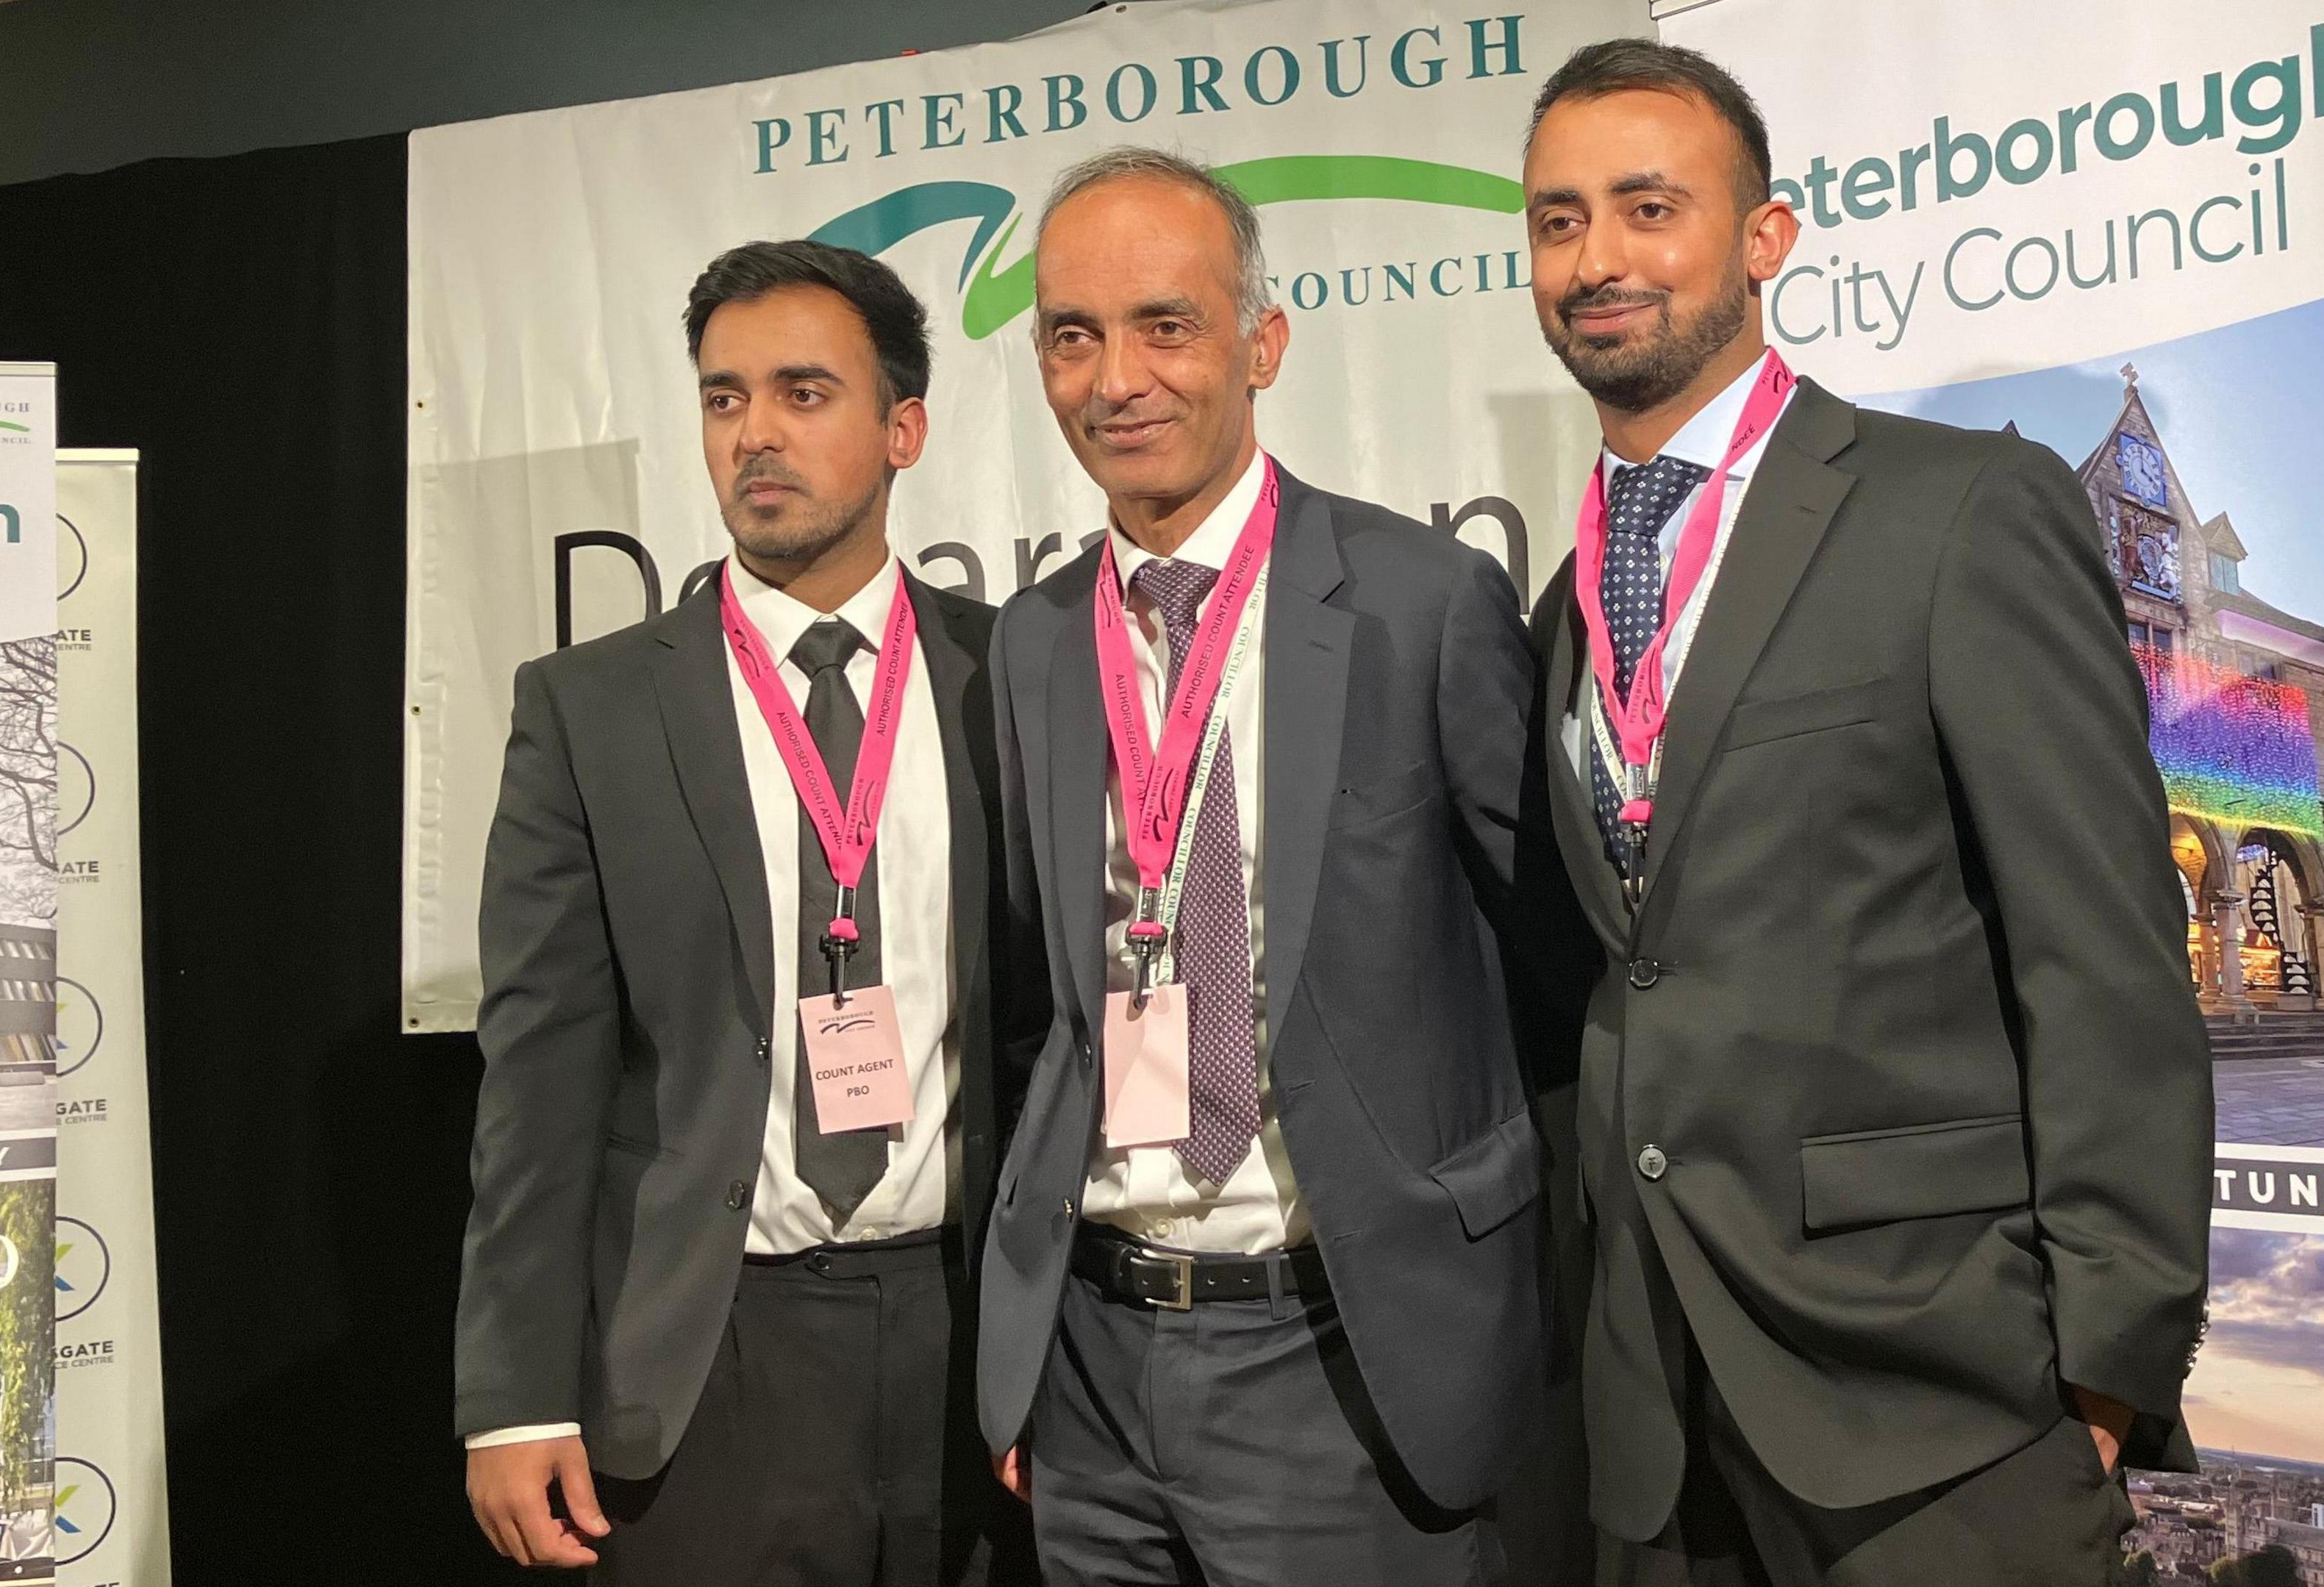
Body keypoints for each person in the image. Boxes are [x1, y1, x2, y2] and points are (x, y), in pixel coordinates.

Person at [1518, 40, 2214, 1587]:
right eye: (1559, 220)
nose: (1598, 259)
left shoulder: (1956, 509)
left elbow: (2101, 948)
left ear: (1763, 239)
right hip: (1658, 1410)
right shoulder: (1572, 597)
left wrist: (2109, 1354)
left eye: (1649, 207)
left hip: (1943, 1400)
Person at [976, 146, 1578, 1587]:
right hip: (1092, 1368)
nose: (1115, 376)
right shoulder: (1031, 644)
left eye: (1163, 325)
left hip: (1344, 1354)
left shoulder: (1422, 603)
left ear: (1263, 342)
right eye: (1073, 334)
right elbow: (1039, 999)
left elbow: (1552, 974)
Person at [456, 239, 1033, 1585]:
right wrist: (514, 1394)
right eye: (724, 399)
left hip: (975, 1344)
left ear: (905, 427)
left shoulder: (1019, 674)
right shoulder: (588, 709)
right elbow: (537, 1078)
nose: (755, 435)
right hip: (705, 1352)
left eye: (802, 394)